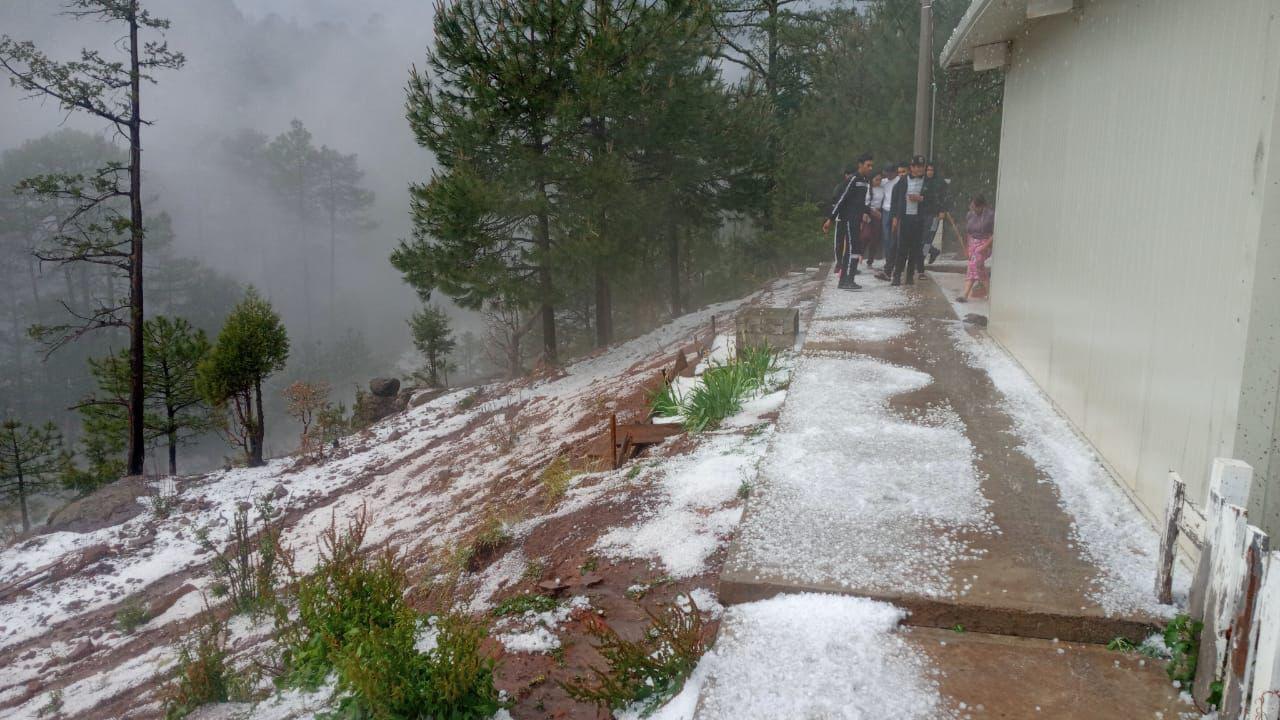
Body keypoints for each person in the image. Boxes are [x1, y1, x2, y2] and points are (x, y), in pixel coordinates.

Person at [823, 153, 874, 290]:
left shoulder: (865, 181)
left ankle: (846, 280)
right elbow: (841, 199)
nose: (870, 168)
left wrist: (869, 212)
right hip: (848, 219)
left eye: (871, 166)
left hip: (857, 220)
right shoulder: (853, 179)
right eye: (868, 165)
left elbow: (862, 203)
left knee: (854, 250)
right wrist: (830, 219)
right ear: (860, 165)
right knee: (852, 249)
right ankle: (847, 280)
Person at [889, 155, 928, 286]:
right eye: (916, 166)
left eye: (921, 166)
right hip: (905, 218)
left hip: (919, 218)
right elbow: (895, 199)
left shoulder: (927, 181)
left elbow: (933, 198)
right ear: (911, 167)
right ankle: (896, 275)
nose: (919, 169)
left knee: (915, 248)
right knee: (902, 248)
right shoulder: (903, 180)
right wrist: (895, 217)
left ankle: (910, 276)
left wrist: (921, 199)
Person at [957, 194, 994, 303]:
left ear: (982, 206)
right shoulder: (970, 215)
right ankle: (986, 292)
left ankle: (966, 294)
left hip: (985, 242)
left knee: (975, 263)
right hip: (973, 244)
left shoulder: (990, 216)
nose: (973, 210)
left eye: (975, 208)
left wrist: (985, 246)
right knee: (976, 266)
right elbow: (968, 233)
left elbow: (995, 233)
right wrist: (967, 248)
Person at [876, 162, 905, 281]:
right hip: (885, 210)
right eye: (886, 173)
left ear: (894, 172)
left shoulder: (899, 181)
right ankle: (888, 263)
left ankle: (892, 264)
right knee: (886, 238)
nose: (887, 175)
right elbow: (874, 183)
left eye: (889, 173)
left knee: (894, 239)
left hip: (894, 212)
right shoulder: (884, 182)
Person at [922, 162, 948, 266]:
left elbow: (945, 198)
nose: (930, 172)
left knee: (929, 237)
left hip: (935, 215)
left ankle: (921, 259)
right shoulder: (922, 181)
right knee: (922, 238)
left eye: (931, 170)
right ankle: (932, 251)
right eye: (928, 170)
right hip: (923, 214)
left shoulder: (940, 183)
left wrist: (942, 211)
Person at [864, 173, 885, 267]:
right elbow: (865, 203)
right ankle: (859, 255)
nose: (878, 182)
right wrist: (872, 212)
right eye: (876, 179)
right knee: (866, 236)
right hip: (869, 213)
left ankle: (870, 259)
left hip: (879, 213)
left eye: (880, 180)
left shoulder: (882, 188)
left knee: (875, 238)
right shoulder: (868, 188)